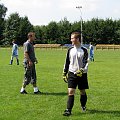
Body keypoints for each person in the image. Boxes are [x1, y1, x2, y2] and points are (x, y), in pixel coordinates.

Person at [62, 32, 89, 116]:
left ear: (77, 39)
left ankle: (83, 105)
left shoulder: (84, 50)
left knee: (82, 91)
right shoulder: (70, 50)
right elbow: (67, 62)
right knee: (70, 91)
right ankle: (68, 110)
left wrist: (82, 70)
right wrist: (64, 72)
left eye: (72, 38)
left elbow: (86, 62)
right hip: (72, 73)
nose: (71, 40)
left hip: (82, 74)